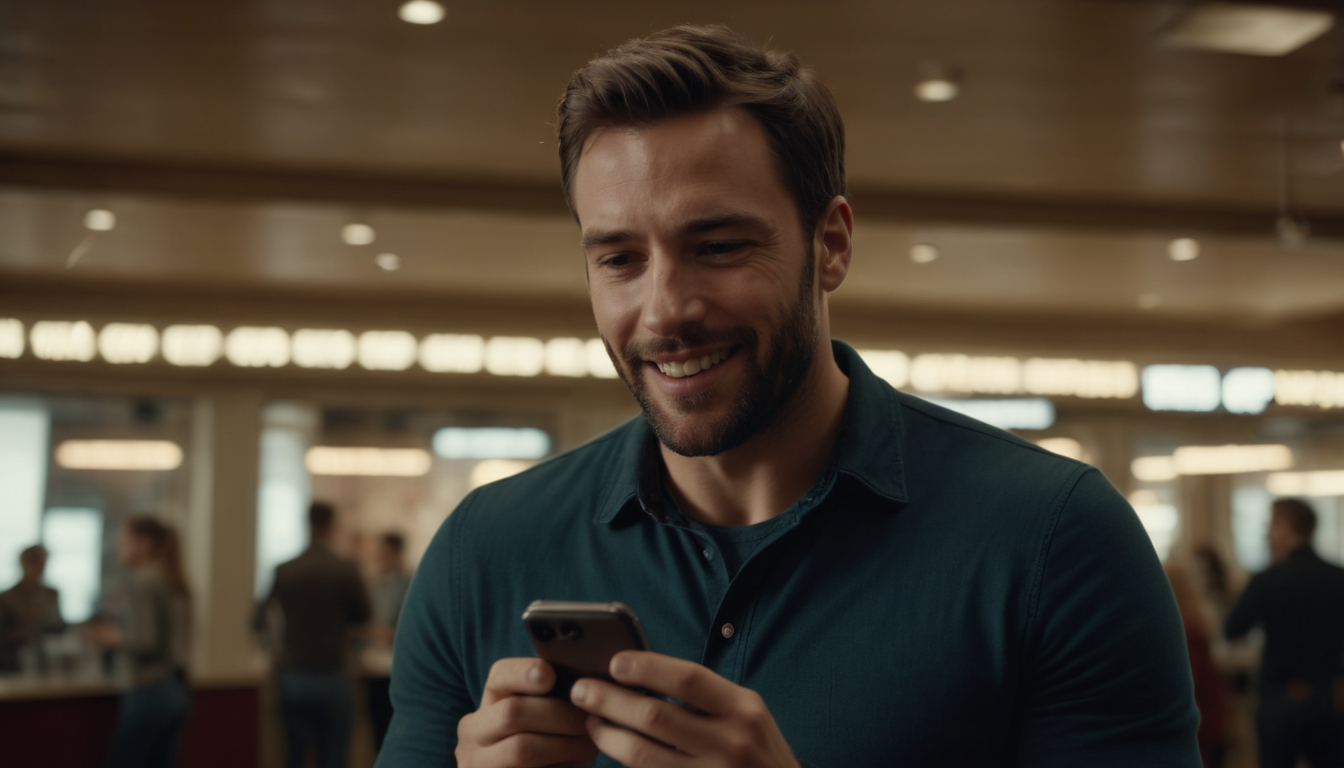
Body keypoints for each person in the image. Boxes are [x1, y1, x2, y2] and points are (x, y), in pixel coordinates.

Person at [378, 25, 1199, 767]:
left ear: (831, 245)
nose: (665, 310)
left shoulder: (1054, 541)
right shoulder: (479, 555)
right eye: (620, 260)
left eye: (720, 245)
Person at [1226, 497, 1344, 768]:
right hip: (1330, 694)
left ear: (1285, 527)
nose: (1267, 533)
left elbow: (1234, 629)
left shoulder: (1268, 579)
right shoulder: (1338, 577)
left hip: (1279, 695)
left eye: (1271, 524)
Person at [259, 501, 371, 768]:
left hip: (293, 672)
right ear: (333, 526)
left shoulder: (284, 569)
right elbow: (363, 615)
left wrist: (274, 647)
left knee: (293, 755)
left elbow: (258, 618)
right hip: (332, 671)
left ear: (306, 524)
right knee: (334, 756)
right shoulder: (344, 569)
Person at [88, 516, 193, 768]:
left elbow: (146, 640)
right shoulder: (172, 580)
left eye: (124, 541)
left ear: (144, 546)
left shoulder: (142, 582)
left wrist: (110, 637)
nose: (118, 547)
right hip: (176, 689)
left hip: (149, 689)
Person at [1167, 561, 1232, 767]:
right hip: (1210, 717)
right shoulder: (1196, 622)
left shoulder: (1184, 630)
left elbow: (1190, 685)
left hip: (1200, 723)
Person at [366, 531, 412, 752]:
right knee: (376, 723)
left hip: (396, 664)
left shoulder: (408, 583)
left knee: (395, 724)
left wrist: (391, 633)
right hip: (373, 663)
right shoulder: (375, 584)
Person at [0, 545, 66, 675]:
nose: (39, 566)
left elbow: (60, 626)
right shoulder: (6, 597)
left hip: (48, 660)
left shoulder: (51, 594)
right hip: (13, 662)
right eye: (34, 561)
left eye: (42, 561)